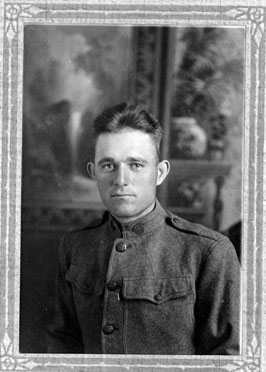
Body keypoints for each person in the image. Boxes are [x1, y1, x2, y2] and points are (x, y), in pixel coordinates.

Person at [47, 102, 240, 355]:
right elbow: (62, 345)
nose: (121, 180)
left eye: (136, 165)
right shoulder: (75, 247)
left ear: (160, 173)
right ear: (93, 173)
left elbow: (228, 359)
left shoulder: (208, 252)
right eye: (108, 165)